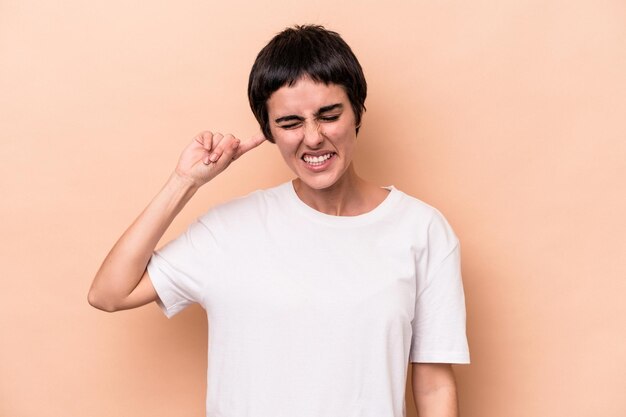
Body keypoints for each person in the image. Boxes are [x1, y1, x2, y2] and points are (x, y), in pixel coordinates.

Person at [88, 25, 469, 417]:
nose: (313, 137)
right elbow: (109, 294)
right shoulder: (229, 230)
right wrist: (184, 182)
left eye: (329, 115)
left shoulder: (421, 230)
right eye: (289, 123)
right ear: (269, 131)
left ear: (358, 112)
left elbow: (435, 386)